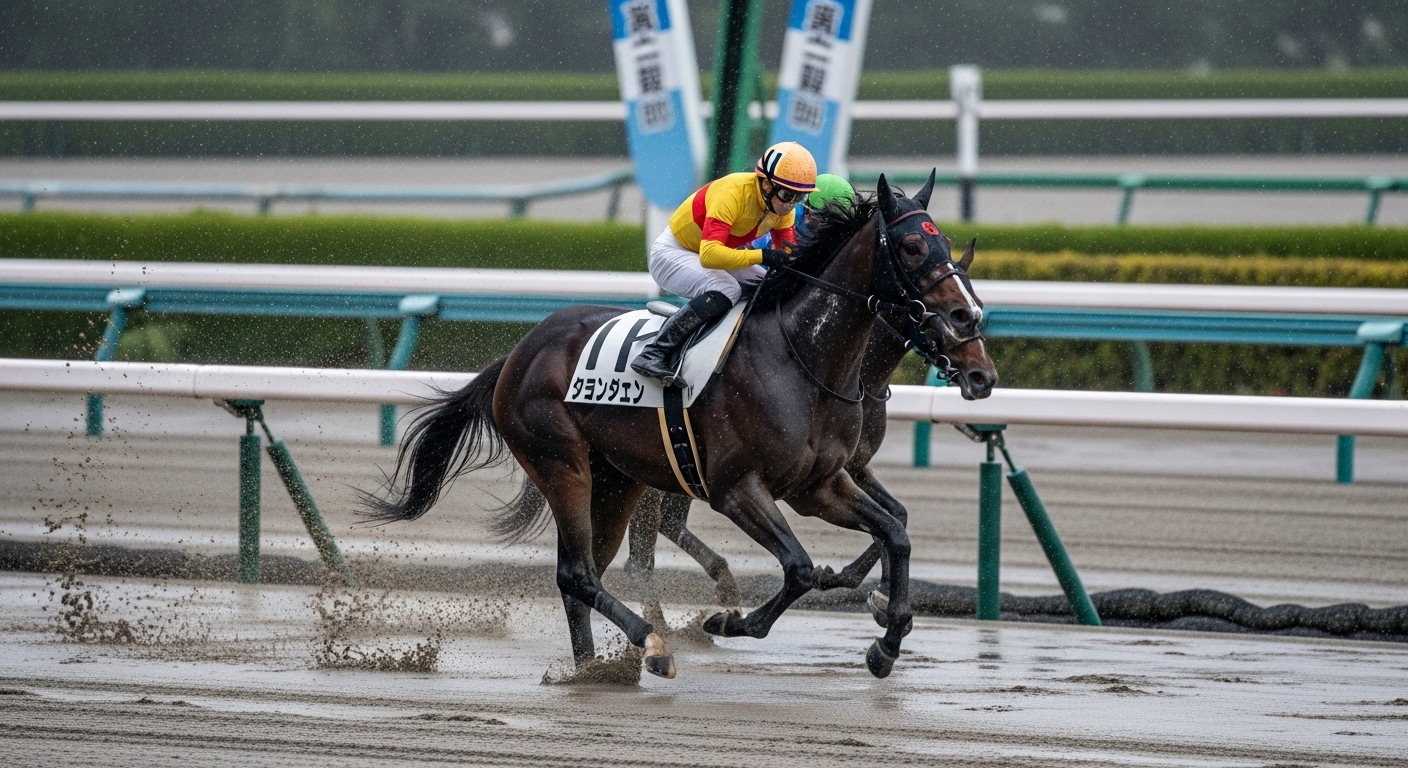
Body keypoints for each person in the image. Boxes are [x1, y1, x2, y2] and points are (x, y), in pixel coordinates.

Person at [630, 141, 818, 386]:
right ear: (766, 184)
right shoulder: (731, 194)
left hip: (714, 253)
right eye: (787, 194)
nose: (791, 203)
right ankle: (655, 352)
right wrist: (762, 256)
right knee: (727, 288)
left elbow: (788, 255)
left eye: (799, 197)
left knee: (767, 285)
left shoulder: (782, 209)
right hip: (673, 253)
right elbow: (709, 255)